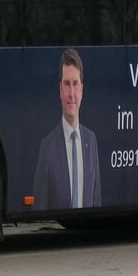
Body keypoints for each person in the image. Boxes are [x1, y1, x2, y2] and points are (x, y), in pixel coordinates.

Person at [32, 48, 101, 211]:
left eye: (75, 84)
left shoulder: (91, 141)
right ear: (60, 90)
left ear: (82, 90)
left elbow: (97, 202)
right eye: (67, 84)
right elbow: (39, 208)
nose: (71, 93)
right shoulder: (47, 147)